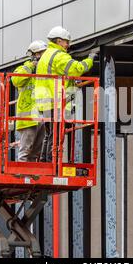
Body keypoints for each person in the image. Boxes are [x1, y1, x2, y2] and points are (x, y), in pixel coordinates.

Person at [34, 26, 97, 162]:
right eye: (66, 42)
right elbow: (77, 69)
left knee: (49, 134)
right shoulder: (59, 55)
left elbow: (58, 75)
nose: (68, 45)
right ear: (58, 41)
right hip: (54, 101)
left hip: (43, 102)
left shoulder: (45, 55)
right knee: (56, 135)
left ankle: (45, 161)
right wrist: (90, 59)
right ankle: (51, 162)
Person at [11, 40, 48, 162]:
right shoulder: (24, 69)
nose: (42, 56)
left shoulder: (43, 70)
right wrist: (31, 66)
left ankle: (32, 176)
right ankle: (22, 175)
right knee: (26, 150)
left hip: (41, 115)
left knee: (36, 152)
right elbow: (16, 80)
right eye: (39, 54)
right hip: (28, 117)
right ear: (33, 55)